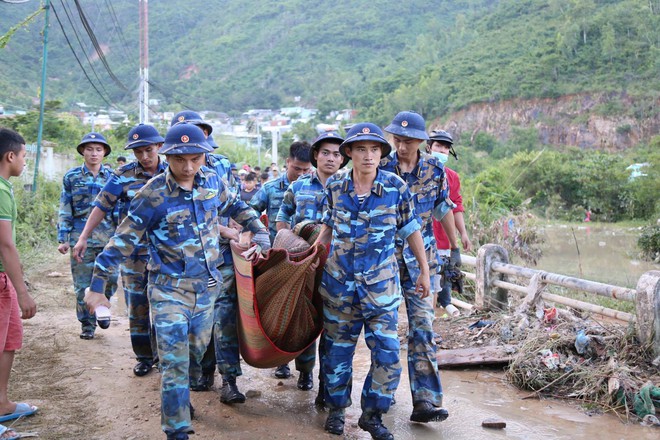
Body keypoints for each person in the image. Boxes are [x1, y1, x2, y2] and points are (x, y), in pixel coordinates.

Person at [84, 124, 268, 440]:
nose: (187, 167)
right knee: (174, 362)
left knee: (194, 355)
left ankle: (179, 398)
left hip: (207, 288)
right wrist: (98, 286)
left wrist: (261, 234)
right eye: (180, 159)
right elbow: (122, 240)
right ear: (167, 155)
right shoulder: (152, 194)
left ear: (204, 157)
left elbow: (236, 205)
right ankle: (177, 428)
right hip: (168, 289)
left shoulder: (212, 181)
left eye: (195, 158)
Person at [314, 123, 431, 440]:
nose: (368, 156)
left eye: (374, 149)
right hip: (340, 287)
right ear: (349, 153)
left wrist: (424, 270)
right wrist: (314, 254)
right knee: (337, 355)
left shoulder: (394, 187)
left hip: (380, 288)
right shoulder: (336, 186)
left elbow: (411, 229)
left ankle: (372, 414)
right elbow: (327, 225)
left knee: (389, 354)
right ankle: (337, 411)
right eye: (361, 149)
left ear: (382, 153)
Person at [382, 111, 460, 424]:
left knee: (423, 328)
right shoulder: (380, 166)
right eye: (397, 139)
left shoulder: (434, 170)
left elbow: (443, 209)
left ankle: (425, 400)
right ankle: (383, 393)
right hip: (384, 259)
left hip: (422, 260)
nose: (402, 145)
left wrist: (454, 248)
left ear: (422, 141)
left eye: (409, 140)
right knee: (384, 329)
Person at [72, 124, 167, 376]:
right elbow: (101, 207)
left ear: (159, 147)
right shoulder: (123, 175)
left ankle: (163, 357)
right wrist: (83, 236)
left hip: (166, 253)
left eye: (148, 150)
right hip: (133, 253)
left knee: (163, 305)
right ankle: (144, 357)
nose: (144, 157)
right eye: (138, 152)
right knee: (137, 306)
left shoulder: (173, 172)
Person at [169, 111, 241, 394]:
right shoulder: (168, 176)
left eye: (200, 132)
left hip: (219, 255)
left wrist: (236, 233)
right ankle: (199, 373)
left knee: (223, 318)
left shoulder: (222, 166)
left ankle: (229, 380)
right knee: (195, 322)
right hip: (183, 262)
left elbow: (231, 207)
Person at [275, 132, 347, 396]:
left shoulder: (350, 188)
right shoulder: (299, 186)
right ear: (315, 155)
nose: (331, 158)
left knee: (332, 324)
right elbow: (282, 218)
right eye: (326, 152)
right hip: (303, 264)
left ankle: (328, 385)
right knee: (303, 315)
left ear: (343, 159)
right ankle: (305, 370)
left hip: (337, 268)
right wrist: (286, 247)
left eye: (337, 154)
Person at [249, 141, 312, 379]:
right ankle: (280, 361)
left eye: (306, 170)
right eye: (297, 168)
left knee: (306, 314)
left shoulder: (314, 188)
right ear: (288, 162)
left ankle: (306, 370)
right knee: (277, 312)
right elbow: (250, 211)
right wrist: (260, 235)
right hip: (276, 261)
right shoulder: (270, 188)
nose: (302, 174)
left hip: (306, 261)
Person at [57, 132, 118, 340]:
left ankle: (101, 309)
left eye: (98, 149)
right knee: (83, 284)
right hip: (79, 239)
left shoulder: (112, 178)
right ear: (82, 151)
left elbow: (118, 209)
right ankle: (87, 325)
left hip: (108, 238)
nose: (94, 153)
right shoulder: (72, 177)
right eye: (90, 149)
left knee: (110, 279)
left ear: (104, 153)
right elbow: (66, 208)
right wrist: (63, 238)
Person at [0, 128, 38, 438]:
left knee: (9, 341)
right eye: (24, 156)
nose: (26, 161)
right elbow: (5, 245)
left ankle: (2, 403)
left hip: (5, 280)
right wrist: (23, 293)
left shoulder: (5, 186)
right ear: (10, 156)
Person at [427, 129, 472, 317]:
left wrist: (463, 233)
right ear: (429, 147)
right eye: (438, 146)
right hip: (420, 236)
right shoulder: (417, 172)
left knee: (437, 280)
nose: (442, 151)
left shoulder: (452, 177)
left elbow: (455, 206)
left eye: (446, 148)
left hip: (443, 237)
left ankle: (428, 325)